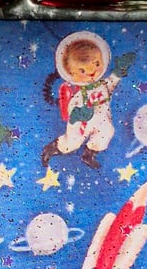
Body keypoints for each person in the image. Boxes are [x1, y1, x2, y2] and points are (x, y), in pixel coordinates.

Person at [40, 31, 134, 170]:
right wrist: (78, 114)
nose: (92, 72)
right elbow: (72, 107)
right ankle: (52, 148)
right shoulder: (79, 94)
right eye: (82, 71)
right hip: (81, 124)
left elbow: (112, 82)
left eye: (96, 63)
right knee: (72, 143)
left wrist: (119, 71)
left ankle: (89, 154)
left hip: (102, 119)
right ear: (71, 74)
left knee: (106, 133)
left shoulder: (102, 85)